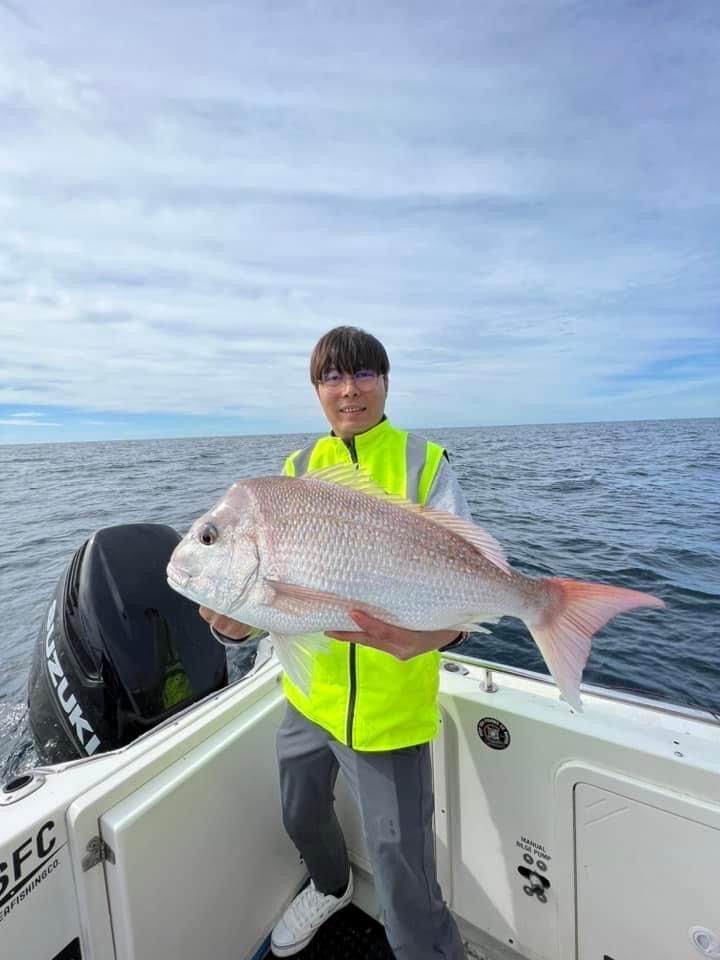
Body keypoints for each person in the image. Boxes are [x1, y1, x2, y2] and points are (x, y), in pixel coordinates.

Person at [200, 326, 470, 959]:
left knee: (405, 880)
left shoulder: (423, 463)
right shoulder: (294, 474)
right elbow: (275, 602)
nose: (349, 390)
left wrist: (437, 635)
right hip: (308, 697)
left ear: (385, 382)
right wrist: (236, 620)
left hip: (387, 716)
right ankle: (330, 886)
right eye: (332, 378)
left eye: (363, 374)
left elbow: (464, 583)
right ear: (316, 389)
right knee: (300, 815)